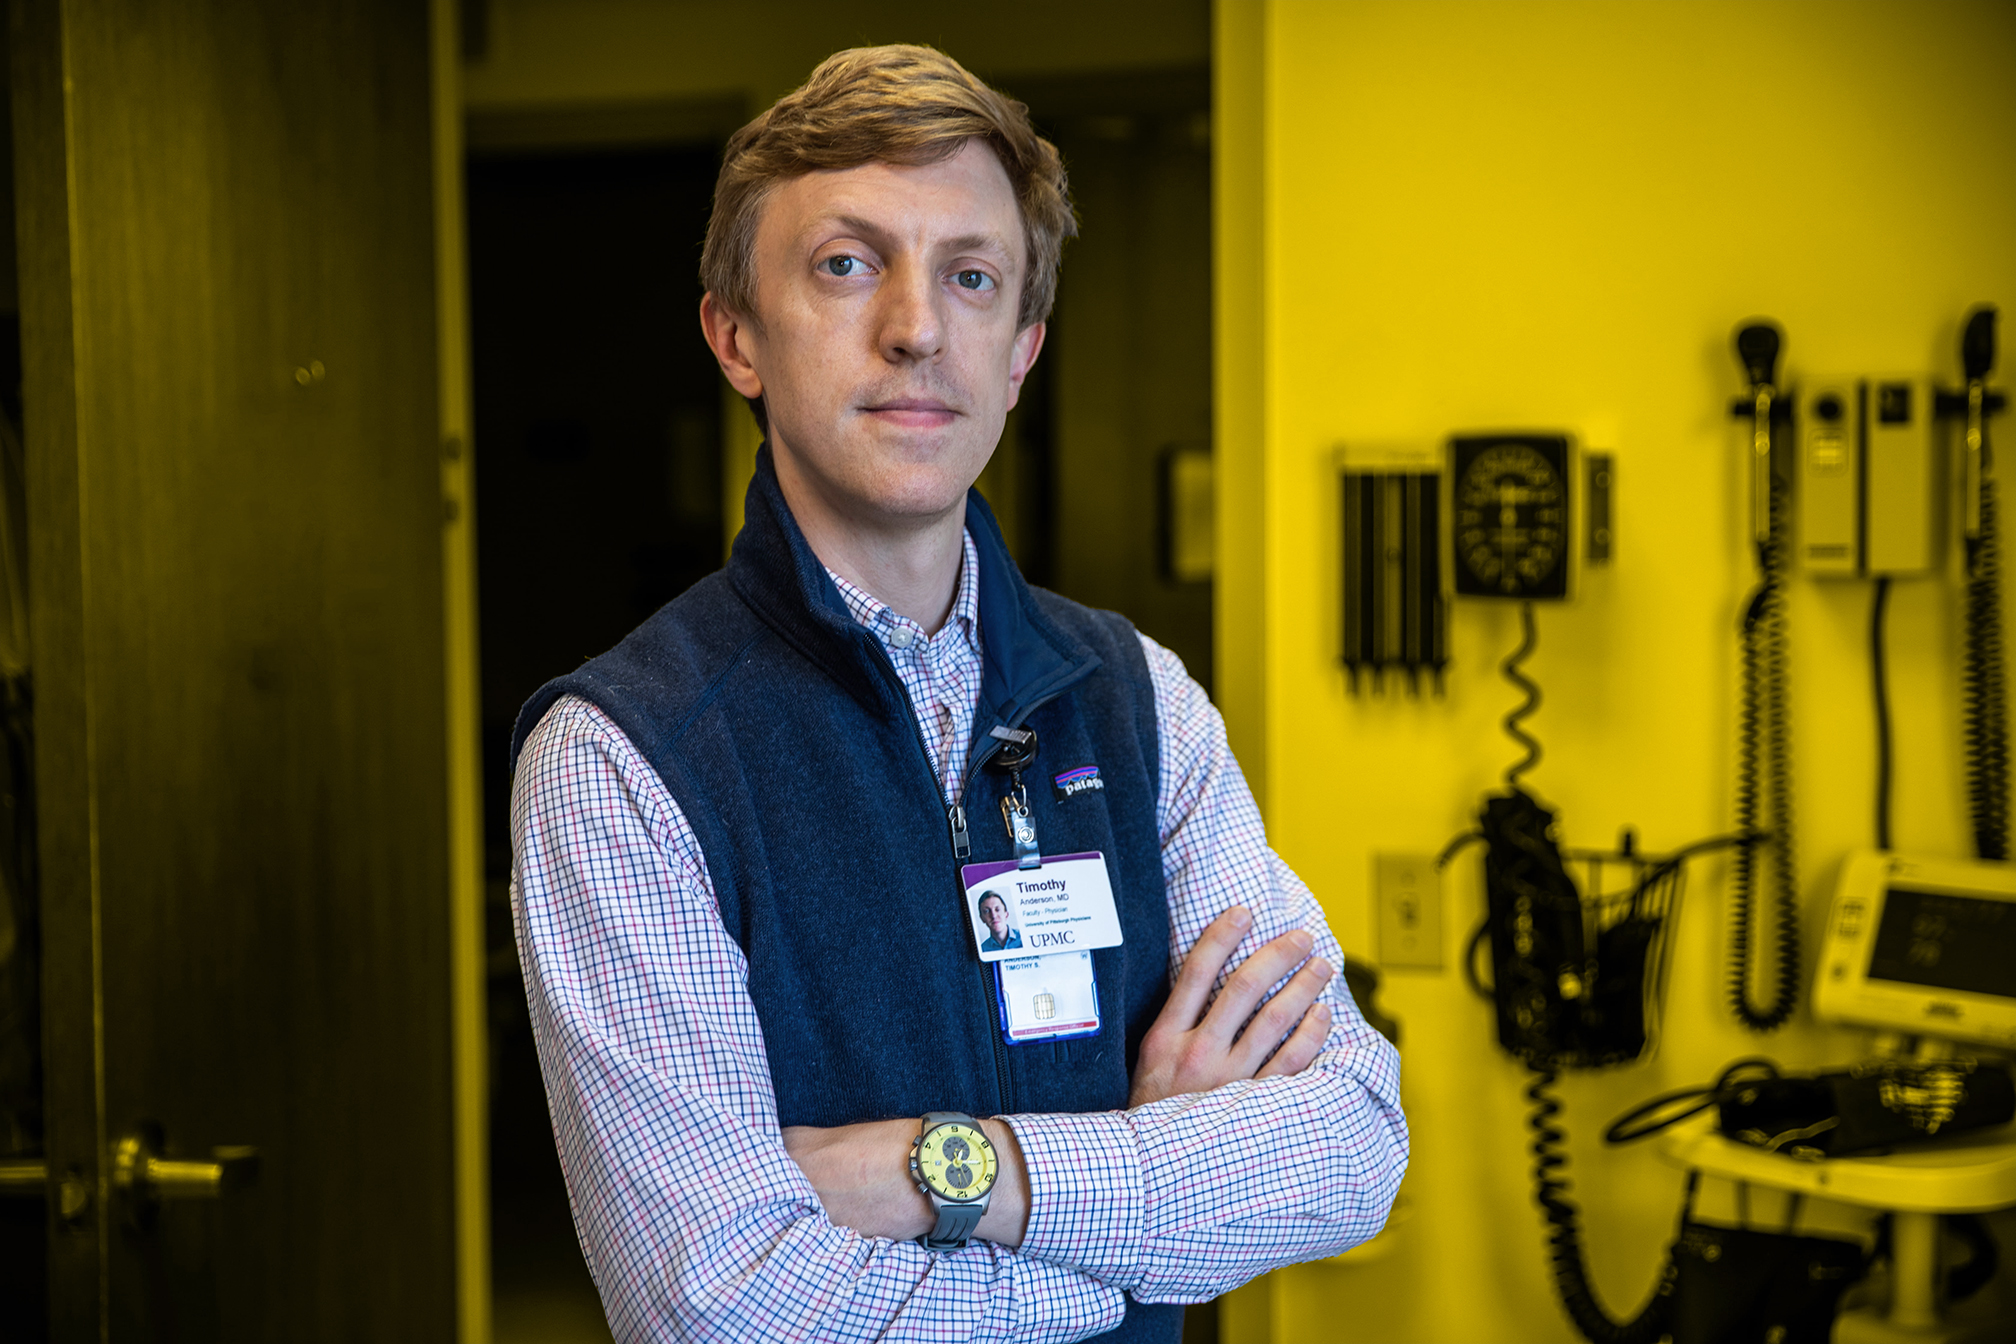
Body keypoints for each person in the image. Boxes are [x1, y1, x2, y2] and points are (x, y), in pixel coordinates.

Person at [509, 44, 1407, 1343]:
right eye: (847, 264)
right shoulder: (624, 757)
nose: (918, 326)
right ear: (735, 335)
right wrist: (1153, 1218)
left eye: (971, 276)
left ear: (1023, 347)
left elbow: (1348, 1150)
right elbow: (724, 1306)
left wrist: (949, 1171)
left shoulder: (1140, 703)